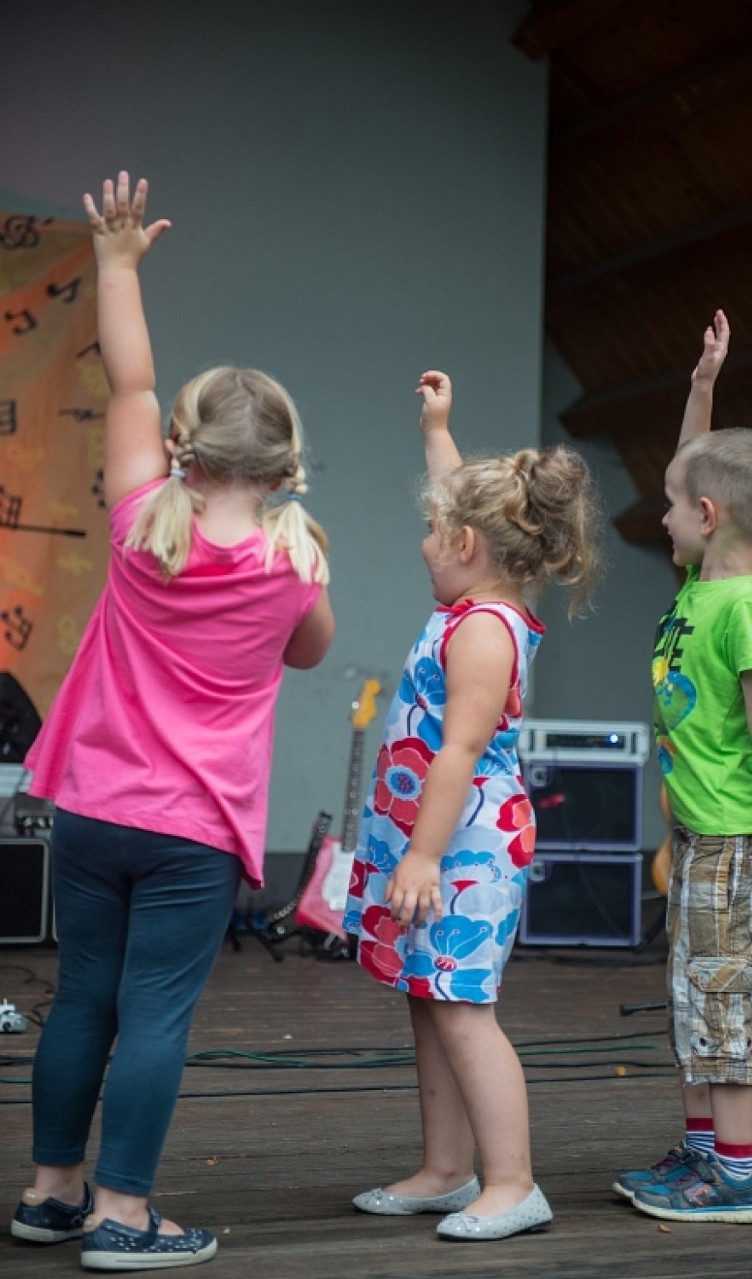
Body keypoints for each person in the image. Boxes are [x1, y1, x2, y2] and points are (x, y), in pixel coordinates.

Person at [10, 172, 334, 1270]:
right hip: (194, 834)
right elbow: (311, 650)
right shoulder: (298, 560)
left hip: (94, 812)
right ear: (287, 463)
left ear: (185, 448)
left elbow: (132, 377)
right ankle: (123, 1216)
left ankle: (51, 1193)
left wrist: (115, 264)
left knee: (80, 1001)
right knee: (154, 1015)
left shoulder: (142, 520)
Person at [343, 369, 604, 1242]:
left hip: (464, 846)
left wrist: (420, 856)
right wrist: (438, 424)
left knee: (463, 1006)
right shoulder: (471, 595)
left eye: (432, 529)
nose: (423, 539)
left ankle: (514, 1182)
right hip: (431, 838)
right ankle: (447, 1168)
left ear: (466, 542)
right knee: (429, 995)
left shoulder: (486, 628)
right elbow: (460, 495)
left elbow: (457, 750)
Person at [615, 310, 752, 1223]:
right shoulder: (700, 585)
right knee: (693, 996)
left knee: (724, 1005)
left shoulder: (747, 608)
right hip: (697, 834)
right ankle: (698, 1155)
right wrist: (702, 385)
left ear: (709, 519)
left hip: (736, 837)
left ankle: (734, 1176)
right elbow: (695, 472)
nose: (662, 517)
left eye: (672, 508)